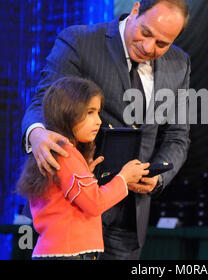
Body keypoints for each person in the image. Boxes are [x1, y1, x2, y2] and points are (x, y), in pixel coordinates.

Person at [21, 0, 191, 259]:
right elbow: (44, 101)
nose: (149, 48)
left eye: (162, 44)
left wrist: (158, 178)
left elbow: (177, 136)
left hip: (129, 215)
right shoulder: (81, 41)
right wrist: (37, 134)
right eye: (146, 33)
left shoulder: (179, 64)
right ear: (135, 10)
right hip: (70, 208)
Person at [17, 77, 150, 259]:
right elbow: (94, 204)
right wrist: (124, 179)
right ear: (67, 113)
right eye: (89, 113)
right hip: (69, 253)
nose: (98, 121)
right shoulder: (66, 154)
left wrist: (86, 175)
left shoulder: (63, 153)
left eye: (98, 113)